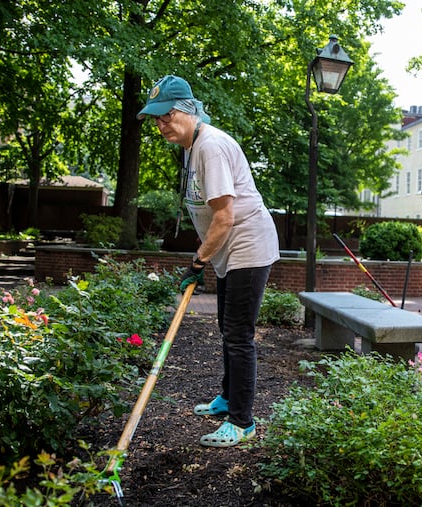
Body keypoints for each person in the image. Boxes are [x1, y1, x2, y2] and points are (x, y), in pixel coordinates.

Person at [137, 75, 280, 447]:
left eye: (166, 115)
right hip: (229, 250)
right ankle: (228, 398)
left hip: (248, 245)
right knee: (227, 328)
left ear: (187, 110)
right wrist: (205, 259)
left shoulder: (211, 146)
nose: (161, 124)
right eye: (156, 119)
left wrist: (197, 264)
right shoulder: (192, 146)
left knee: (238, 334)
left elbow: (224, 217)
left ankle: (242, 421)